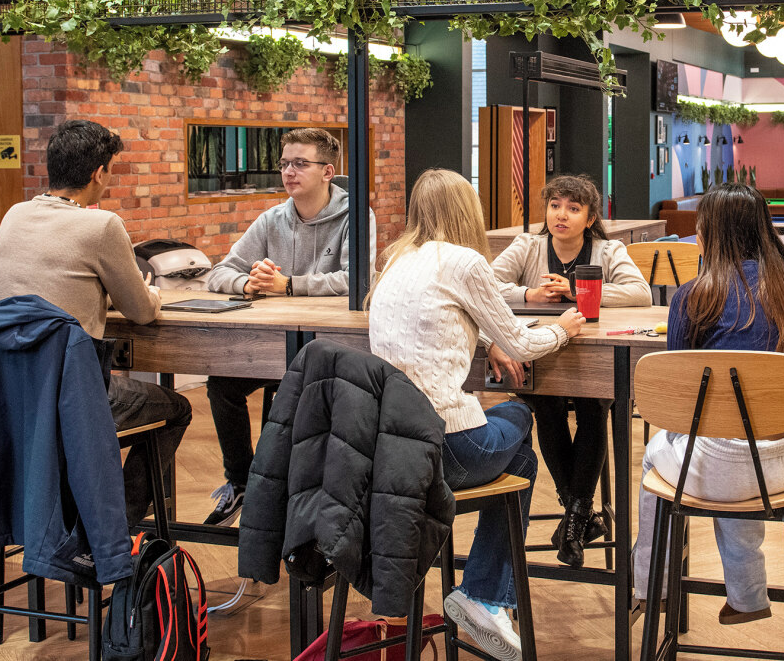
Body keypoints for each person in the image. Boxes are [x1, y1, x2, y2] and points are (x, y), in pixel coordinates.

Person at [368, 169, 584, 661]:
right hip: (447, 449)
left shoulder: (394, 260)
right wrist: (566, 329)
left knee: (512, 444)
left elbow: (437, 320)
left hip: (389, 451)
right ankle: (483, 595)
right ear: (468, 211)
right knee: (521, 426)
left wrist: (487, 341)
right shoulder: (465, 261)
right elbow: (524, 343)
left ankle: (484, 594)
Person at [631, 183, 784, 625]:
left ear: (712, 234)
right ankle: (746, 595)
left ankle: (651, 587)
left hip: (720, 468)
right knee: (733, 451)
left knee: (663, 457)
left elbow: (681, 385)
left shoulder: (694, 296)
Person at [0, 119, 193, 527]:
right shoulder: (100, 225)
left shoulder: (14, 215)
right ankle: (114, 522)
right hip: (71, 395)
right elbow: (140, 311)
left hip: (10, 390)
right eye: (111, 171)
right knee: (176, 409)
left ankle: (85, 519)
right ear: (98, 173)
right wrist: (150, 290)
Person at [199, 127, 373, 526]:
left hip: (333, 348)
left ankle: (296, 501)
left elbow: (358, 280)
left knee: (298, 402)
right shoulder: (272, 219)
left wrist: (289, 284)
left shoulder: (356, 215)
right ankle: (242, 483)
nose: (289, 172)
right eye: (284, 164)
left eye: (300, 163)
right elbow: (218, 272)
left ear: (328, 171)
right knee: (222, 383)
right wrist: (249, 282)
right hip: (277, 343)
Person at [489, 174, 650, 568]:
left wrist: (579, 290)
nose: (562, 215)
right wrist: (528, 294)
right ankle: (580, 518)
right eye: (555, 206)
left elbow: (640, 292)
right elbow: (487, 284)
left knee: (595, 408)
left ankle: (575, 519)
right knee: (546, 407)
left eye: (573, 208)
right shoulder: (528, 246)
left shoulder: (608, 250)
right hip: (540, 357)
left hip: (592, 360)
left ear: (590, 217)